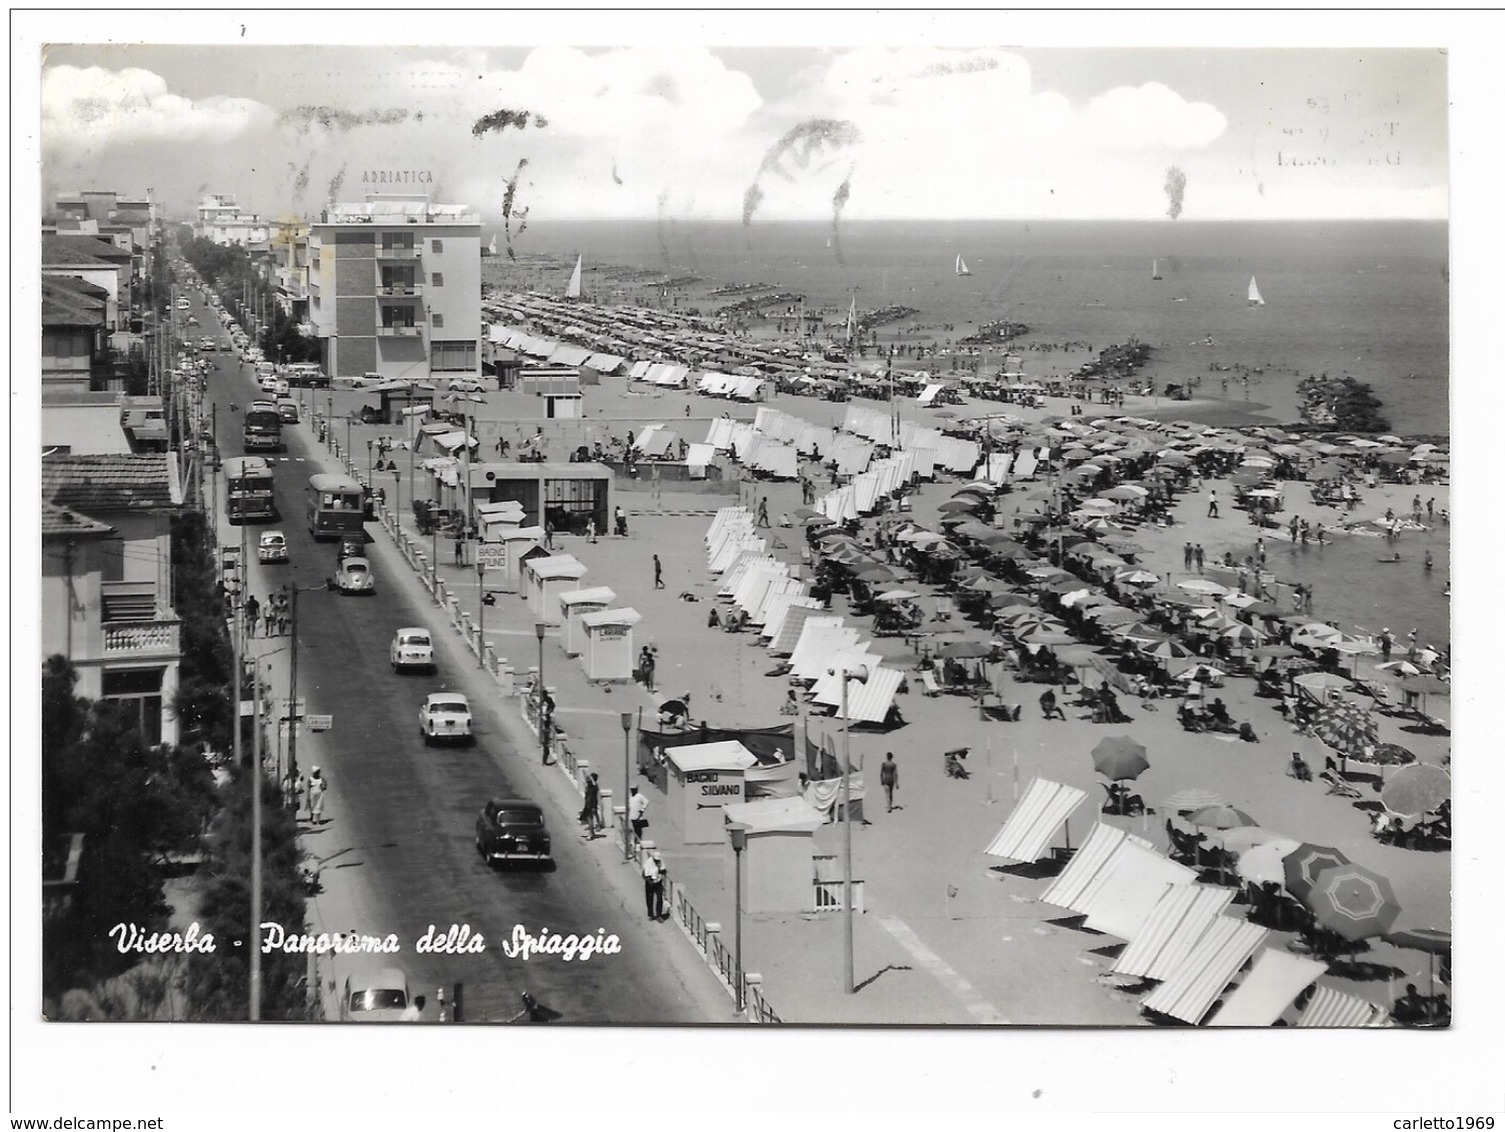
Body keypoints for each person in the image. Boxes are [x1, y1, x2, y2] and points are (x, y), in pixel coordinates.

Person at [643, 852, 667, 921]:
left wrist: (661, 871)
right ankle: (650, 914)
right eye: (655, 860)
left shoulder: (660, 861)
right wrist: (650, 881)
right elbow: (645, 874)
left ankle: (659, 915)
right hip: (650, 882)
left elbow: (663, 869)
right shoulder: (648, 863)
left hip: (658, 882)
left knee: (660, 898)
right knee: (649, 898)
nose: (657, 861)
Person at [580, 773, 602, 839]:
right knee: (590, 818)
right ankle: (592, 831)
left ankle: (591, 833)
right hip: (590, 803)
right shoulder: (592, 786)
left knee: (590, 819)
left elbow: (590, 782)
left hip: (591, 804)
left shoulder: (593, 786)